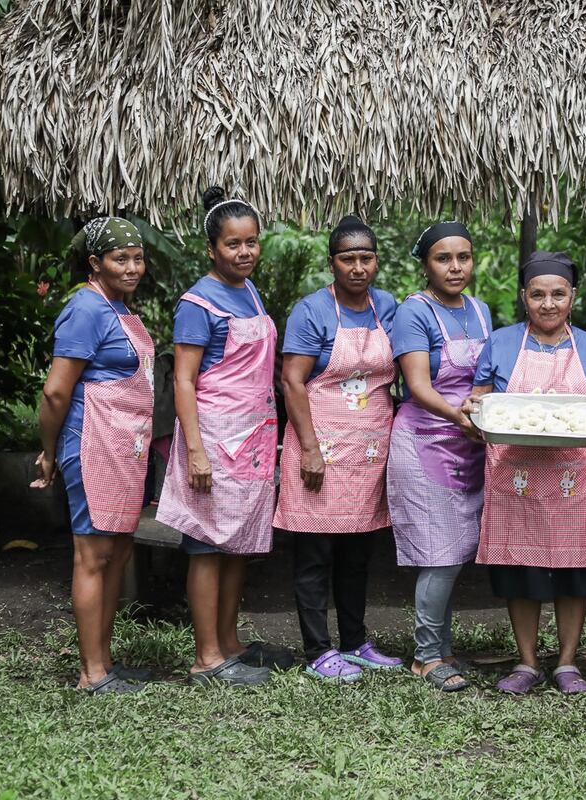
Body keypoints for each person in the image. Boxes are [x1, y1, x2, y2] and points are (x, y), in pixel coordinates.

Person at [463, 251, 586, 695]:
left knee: (573, 572)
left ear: (573, 296)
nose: (548, 304)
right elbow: (482, 400)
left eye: (558, 294)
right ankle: (528, 662)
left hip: (576, 477)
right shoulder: (502, 342)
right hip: (516, 474)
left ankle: (568, 663)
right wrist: (475, 416)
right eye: (538, 295)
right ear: (524, 297)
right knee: (522, 570)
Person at [156, 187, 294, 687]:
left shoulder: (250, 291)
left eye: (252, 242)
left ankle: (231, 642)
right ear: (212, 248)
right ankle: (207, 657)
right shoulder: (196, 302)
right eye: (234, 244)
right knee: (206, 544)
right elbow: (184, 380)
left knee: (239, 543)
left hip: (252, 436)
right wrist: (193, 449)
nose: (245, 253)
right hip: (213, 436)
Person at [274, 215, 404, 682]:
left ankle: (355, 641)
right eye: (347, 259)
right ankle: (317, 649)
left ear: (376, 261)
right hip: (320, 445)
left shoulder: (387, 307)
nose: (357, 267)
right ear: (332, 263)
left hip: (369, 449)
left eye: (365, 258)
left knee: (357, 554)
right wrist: (309, 448)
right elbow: (292, 380)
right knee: (315, 554)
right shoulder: (311, 310)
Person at [32, 217, 153, 695]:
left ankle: (105, 661)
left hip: (126, 446)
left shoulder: (117, 307)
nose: (131, 267)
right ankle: (91, 673)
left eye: (137, 258)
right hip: (92, 441)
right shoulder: (85, 308)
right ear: (95, 263)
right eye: (120, 259)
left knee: (118, 552)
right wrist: (48, 453)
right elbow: (56, 392)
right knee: (93, 555)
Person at [387, 221, 492, 693]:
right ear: (426, 264)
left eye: (463, 257)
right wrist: (463, 418)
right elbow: (418, 387)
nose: (455, 267)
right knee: (439, 554)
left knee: (455, 551)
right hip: (425, 443)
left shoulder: (480, 310)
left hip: (468, 444)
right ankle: (427, 656)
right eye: (443, 258)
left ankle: (444, 649)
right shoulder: (415, 313)